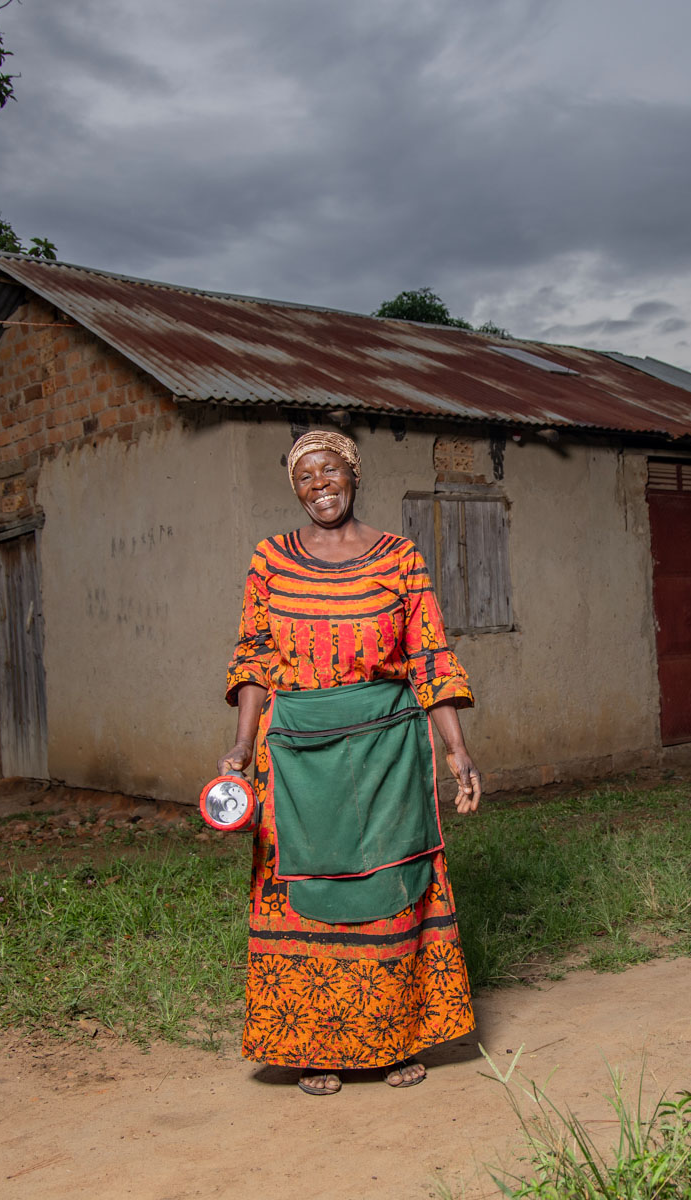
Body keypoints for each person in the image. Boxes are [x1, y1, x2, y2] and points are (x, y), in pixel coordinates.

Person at [220, 429, 482, 1096]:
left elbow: (429, 656)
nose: (319, 485)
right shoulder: (270, 560)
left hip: (388, 750)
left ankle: (394, 1042)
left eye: (329, 470)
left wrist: (456, 750)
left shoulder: (400, 558)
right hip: (298, 756)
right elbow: (253, 659)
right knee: (308, 900)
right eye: (305, 476)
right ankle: (316, 1049)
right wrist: (241, 746)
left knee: (391, 891)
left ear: (353, 474)